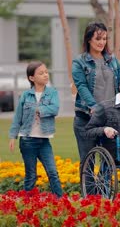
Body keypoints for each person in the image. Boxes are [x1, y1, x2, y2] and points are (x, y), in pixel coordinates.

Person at [8, 61, 63, 197]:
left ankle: (61, 201)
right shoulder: (25, 96)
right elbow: (18, 117)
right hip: (27, 140)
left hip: (44, 142)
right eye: (41, 73)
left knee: (52, 172)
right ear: (32, 78)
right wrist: (12, 136)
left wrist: (39, 109)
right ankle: (28, 203)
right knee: (31, 175)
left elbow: (55, 109)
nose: (45, 75)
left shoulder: (52, 93)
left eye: (46, 72)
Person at [72, 22, 120, 165]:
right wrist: (93, 106)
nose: (102, 42)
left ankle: (104, 187)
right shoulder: (79, 61)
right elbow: (81, 85)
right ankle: (88, 188)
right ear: (89, 39)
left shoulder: (112, 61)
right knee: (88, 161)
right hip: (86, 119)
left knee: (109, 160)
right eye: (98, 39)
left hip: (110, 118)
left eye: (104, 39)